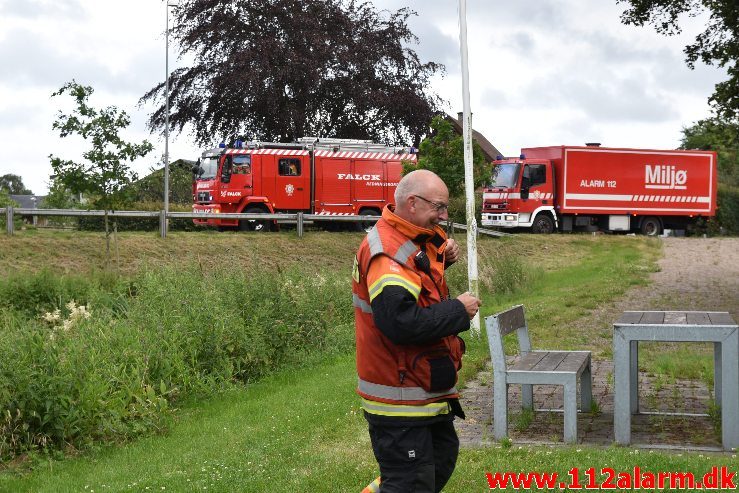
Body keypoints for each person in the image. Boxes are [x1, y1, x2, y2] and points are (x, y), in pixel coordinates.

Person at [353, 169, 482, 492]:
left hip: (420, 388)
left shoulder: (410, 239)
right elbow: (400, 322)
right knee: (412, 481)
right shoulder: (387, 253)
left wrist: (442, 258)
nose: (443, 216)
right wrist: (458, 311)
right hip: (399, 396)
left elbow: (419, 287)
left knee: (438, 460)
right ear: (412, 203)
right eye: (438, 207)